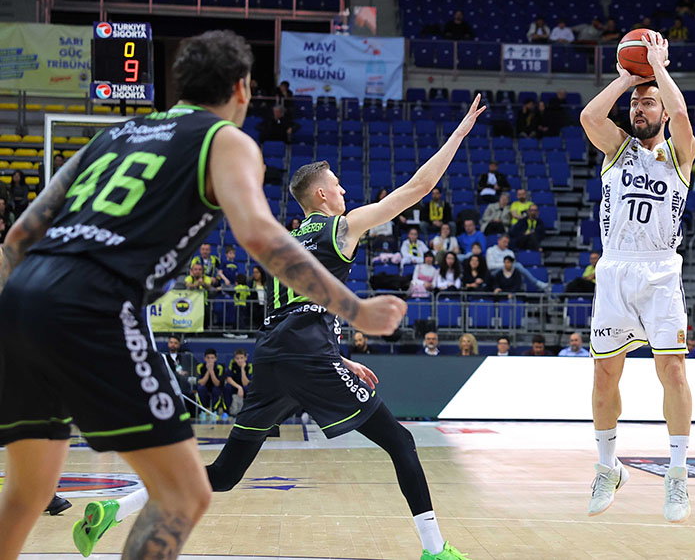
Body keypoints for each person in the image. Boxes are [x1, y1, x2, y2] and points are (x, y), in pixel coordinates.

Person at [0, 30, 402, 560]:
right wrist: (356, 309)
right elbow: (259, 236)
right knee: (184, 493)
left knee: (27, 492)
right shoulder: (225, 140)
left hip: (22, 299)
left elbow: (17, 239)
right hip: (96, 303)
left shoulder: (113, 136)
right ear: (241, 89)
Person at [70, 92, 484, 560]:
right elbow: (416, 189)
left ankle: (118, 506)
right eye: (338, 187)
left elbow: (291, 310)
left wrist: (338, 357)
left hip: (272, 356)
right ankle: (434, 550)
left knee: (224, 474)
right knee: (401, 441)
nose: (344, 193)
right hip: (307, 355)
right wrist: (459, 134)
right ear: (321, 195)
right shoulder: (340, 228)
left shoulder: (284, 243)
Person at [580, 30, 695, 523]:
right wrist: (628, 78)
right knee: (605, 374)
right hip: (615, 268)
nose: (639, 109)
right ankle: (608, 467)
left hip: (660, 270)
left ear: (663, 112)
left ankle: (677, 474)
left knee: (672, 371)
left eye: (649, 103)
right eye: (635, 104)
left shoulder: (680, 154)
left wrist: (659, 70)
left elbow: (684, 117)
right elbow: (590, 117)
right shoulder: (617, 148)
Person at [222, 348, 252, 417]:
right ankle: (226, 412)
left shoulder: (249, 366)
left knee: (248, 388)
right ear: (235, 359)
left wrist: (242, 369)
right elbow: (228, 378)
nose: (239, 360)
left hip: (244, 386)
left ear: (245, 358)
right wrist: (239, 387)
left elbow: (245, 383)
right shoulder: (232, 363)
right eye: (237, 358)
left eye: (241, 358)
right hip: (235, 385)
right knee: (227, 388)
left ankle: (247, 411)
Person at [194, 349, 224, 414]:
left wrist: (212, 371)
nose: (210, 360)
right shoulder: (200, 366)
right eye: (208, 358)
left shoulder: (220, 367)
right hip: (205, 386)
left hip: (214, 386)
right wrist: (208, 371)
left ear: (215, 359)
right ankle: (203, 411)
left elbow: (217, 384)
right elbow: (202, 383)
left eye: (212, 358)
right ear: (205, 358)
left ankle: (214, 411)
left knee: (217, 389)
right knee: (201, 388)